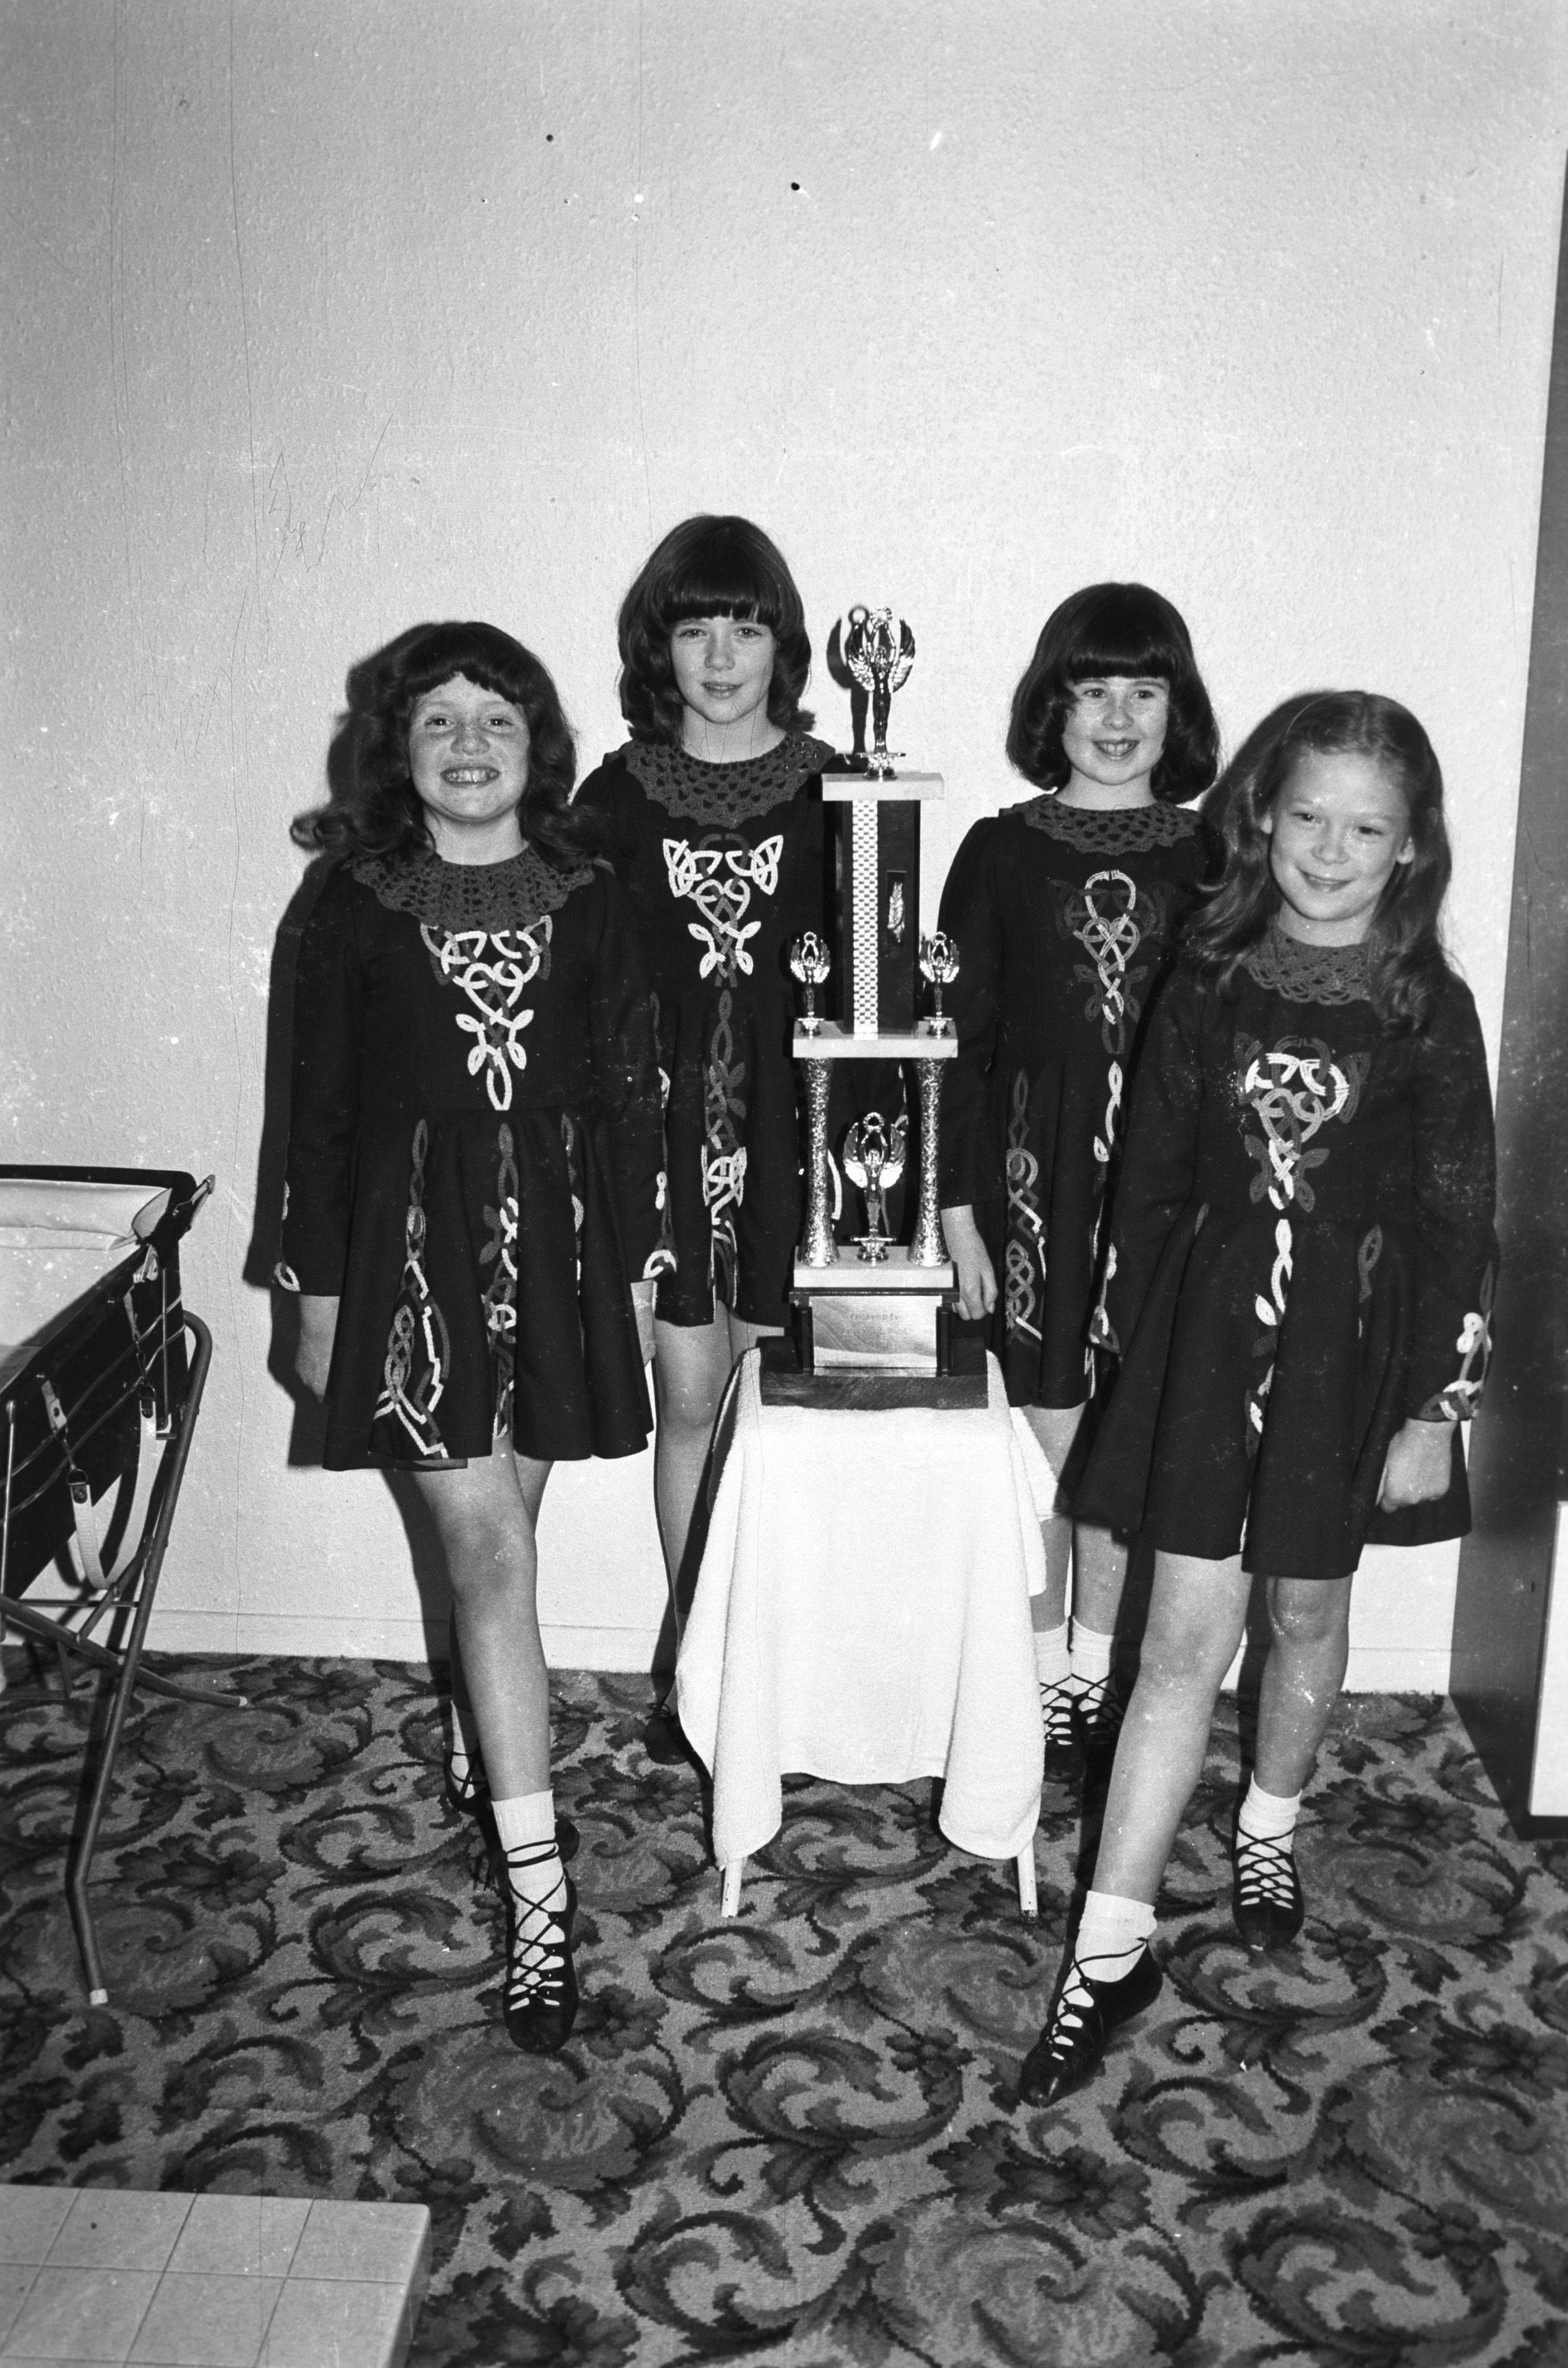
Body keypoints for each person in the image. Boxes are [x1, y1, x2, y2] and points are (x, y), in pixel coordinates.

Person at [1017, 690, 1497, 2107]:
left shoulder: (1429, 1006)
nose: (1330, 852)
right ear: (1261, 819)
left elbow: (1462, 1214)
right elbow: (1147, 1176)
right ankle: (1111, 1949)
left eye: (1366, 830)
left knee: (1303, 1609)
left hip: (1357, 1349)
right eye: (1307, 820)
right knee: (1178, 1641)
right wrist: (1137, 1354)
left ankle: (1272, 1820)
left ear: (1409, 850)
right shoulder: (1211, 971)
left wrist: (1435, 1409)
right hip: (1210, 1341)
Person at [275, 621, 668, 2054]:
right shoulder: (349, 901)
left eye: (494, 721)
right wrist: (314, 1290)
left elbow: (636, 1095)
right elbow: (309, 1111)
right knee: (491, 1552)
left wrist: (635, 1269)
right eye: (437, 723)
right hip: (409, 1264)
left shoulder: (591, 892)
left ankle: (472, 1740)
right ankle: (542, 1891)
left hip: (559, 1249)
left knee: (511, 1541)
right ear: (399, 750)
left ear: (535, 745)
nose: (467, 747)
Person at [937, 585, 1220, 1776]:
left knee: (1128, 1446)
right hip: (1030, 1189)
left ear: (1178, 709)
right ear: (1052, 706)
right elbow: (952, 1040)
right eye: (1092, 689)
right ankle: (1040, 1663)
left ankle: (1094, 1671)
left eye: (1142, 690)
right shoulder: (1001, 851)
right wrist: (955, 1218)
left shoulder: (1218, 856)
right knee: (1050, 1447)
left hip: (1167, 1203)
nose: (1116, 716)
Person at [576, 516, 839, 1760]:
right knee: (689, 1401)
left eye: (744, 625)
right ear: (658, 645)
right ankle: (700, 1666)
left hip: (802, 1141)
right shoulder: (617, 795)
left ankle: (791, 1660)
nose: (722, 654)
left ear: (780, 639)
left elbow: (885, 990)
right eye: (695, 627)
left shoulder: (840, 783)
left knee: (785, 1414)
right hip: (667, 1139)